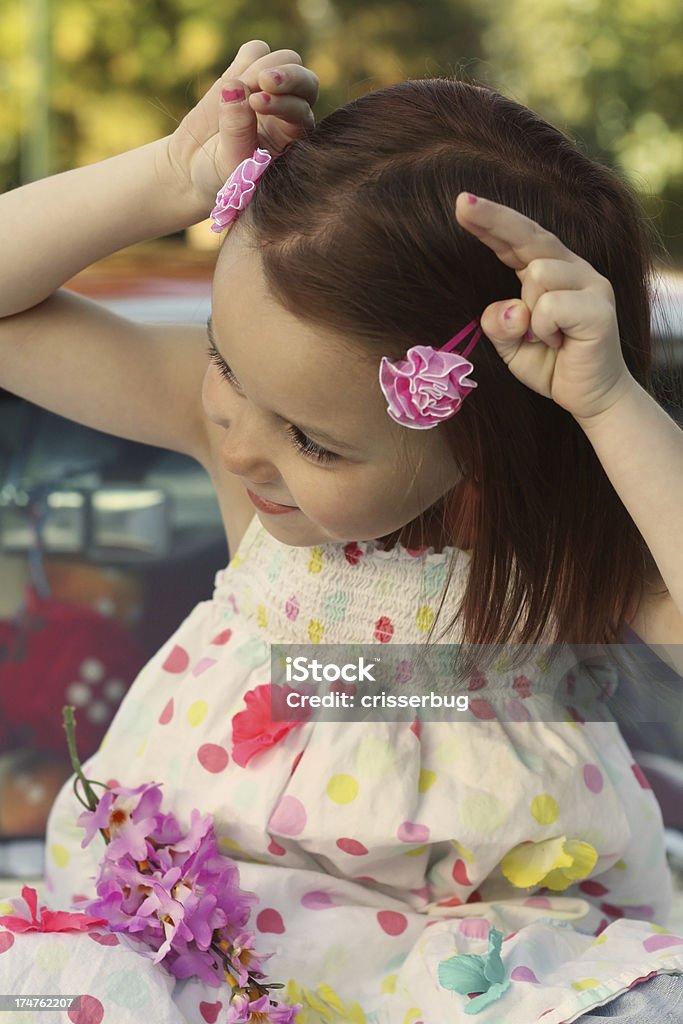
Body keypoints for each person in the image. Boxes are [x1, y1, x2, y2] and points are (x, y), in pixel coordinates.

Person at [1, 35, 683, 1024]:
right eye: (221, 361)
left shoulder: (547, 559)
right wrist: (162, 177)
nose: (239, 444)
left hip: (464, 987)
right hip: (182, 962)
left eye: (315, 442)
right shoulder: (243, 459)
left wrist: (609, 402)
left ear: (480, 444)